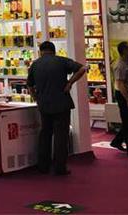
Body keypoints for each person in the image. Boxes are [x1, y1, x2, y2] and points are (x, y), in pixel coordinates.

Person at [26, 41, 87, 175]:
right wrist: (70, 83)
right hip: (61, 103)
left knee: (45, 134)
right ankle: (60, 167)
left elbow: (29, 85)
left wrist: (36, 97)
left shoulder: (35, 64)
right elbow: (82, 69)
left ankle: (43, 166)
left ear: (41, 51)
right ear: (54, 50)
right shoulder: (61, 61)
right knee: (61, 135)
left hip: (44, 104)